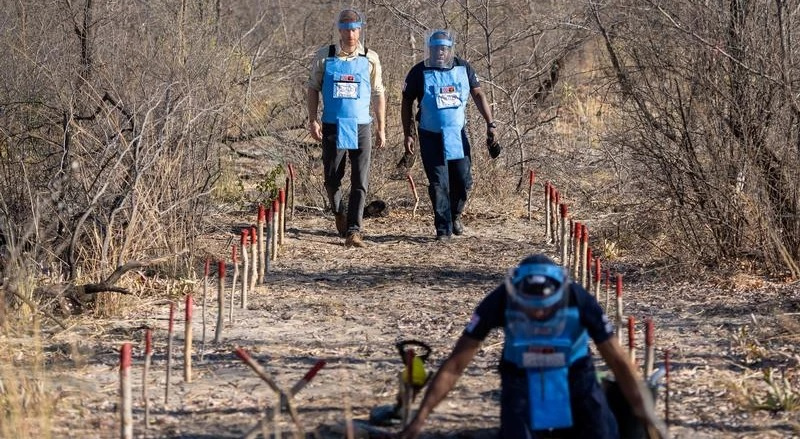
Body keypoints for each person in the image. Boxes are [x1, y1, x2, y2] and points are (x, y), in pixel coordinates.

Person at [397, 254, 667, 439]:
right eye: (530, 310)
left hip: (575, 374)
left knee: (604, 432)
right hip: (520, 377)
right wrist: (422, 416)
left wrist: (646, 413)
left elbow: (619, 362)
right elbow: (456, 364)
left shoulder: (580, 300)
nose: (538, 316)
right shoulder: (499, 300)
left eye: (545, 310)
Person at [401, 29, 500, 241]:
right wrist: (408, 133)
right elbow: (407, 101)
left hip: (457, 134)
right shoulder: (419, 71)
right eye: (436, 48)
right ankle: (443, 228)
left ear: (450, 49)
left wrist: (491, 124)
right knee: (439, 183)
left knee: (463, 180)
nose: (440, 53)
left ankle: (455, 215)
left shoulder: (463, 68)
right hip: (430, 135)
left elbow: (478, 93)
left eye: (444, 49)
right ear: (430, 49)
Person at [307, 9, 386, 248]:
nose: (350, 33)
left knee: (360, 179)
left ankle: (354, 230)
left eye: (354, 28)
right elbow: (312, 88)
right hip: (333, 124)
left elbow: (378, 92)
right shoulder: (325, 56)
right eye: (346, 28)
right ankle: (339, 211)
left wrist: (381, 126)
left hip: (361, 125)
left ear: (360, 29)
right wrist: (312, 119)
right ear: (339, 30)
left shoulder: (370, 57)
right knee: (332, 178)